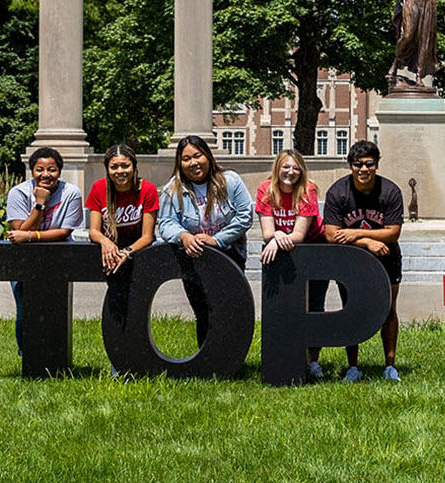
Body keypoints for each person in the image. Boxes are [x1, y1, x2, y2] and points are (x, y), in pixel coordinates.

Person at [157, 135, 253, 347]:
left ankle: (231, 358)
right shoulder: (172, 189)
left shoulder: (231, 181)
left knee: (229, 307)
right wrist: (183, 236)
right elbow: (165, 223)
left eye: (197, 156)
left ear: (208, 156)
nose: (193, 163)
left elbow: (245, 216)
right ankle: (206, 356)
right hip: (193, 258)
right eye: (186, 159)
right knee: (202, 310)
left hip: (229, 254)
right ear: (179, 163)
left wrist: (216, 240)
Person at [323, 140, 404, 382]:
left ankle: (390, 366)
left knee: (389, 309)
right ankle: (353, 367)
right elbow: (330, 234)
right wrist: (366, 242)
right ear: (350, 166)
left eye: (369, 164)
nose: (363, 169)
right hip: (350, 260)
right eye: (358, 164)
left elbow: (393, 233)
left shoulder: (390, 191)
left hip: (387, 257)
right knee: (351, 310)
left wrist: (357, 233)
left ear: (376, 165)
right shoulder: (338, 192)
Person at [255, 149, 328, 379]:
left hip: (314, 246)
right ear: (277, 168)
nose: (291, 172)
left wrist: (277, 237)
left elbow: (299, 234)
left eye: (296, 168)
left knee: (315, 305)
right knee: (284, 306)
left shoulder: (308, 190)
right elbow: (267, 232)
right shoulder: (265, 190)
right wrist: (276, 236)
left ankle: (313, 361)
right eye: (286, 167)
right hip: (282, 247)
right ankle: (285, 357)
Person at [5, 147, 84, 354]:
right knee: (25, 309)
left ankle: (55, 354)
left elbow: (64, 231)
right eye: (40, 169)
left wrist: (31, 236)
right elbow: (19, 230)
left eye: (52, 169)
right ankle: (28, 355)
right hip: (24, 259)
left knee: (57, 308)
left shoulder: (71, 193)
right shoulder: (18, 193)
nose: (46, 175)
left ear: (60, 171)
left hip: (59, 257)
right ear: (32, 170)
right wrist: (40, 203)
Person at [86, 144, 158, 275]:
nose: (120, 171)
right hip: (110, 253)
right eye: (114, 167)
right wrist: (105, 241)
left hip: (139, 252)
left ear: (134, 166)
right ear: (107, 169)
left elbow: (147, 237)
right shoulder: (98, 187)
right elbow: (94, 231)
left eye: (125, 166)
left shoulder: (148, 189)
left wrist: (127, 252)